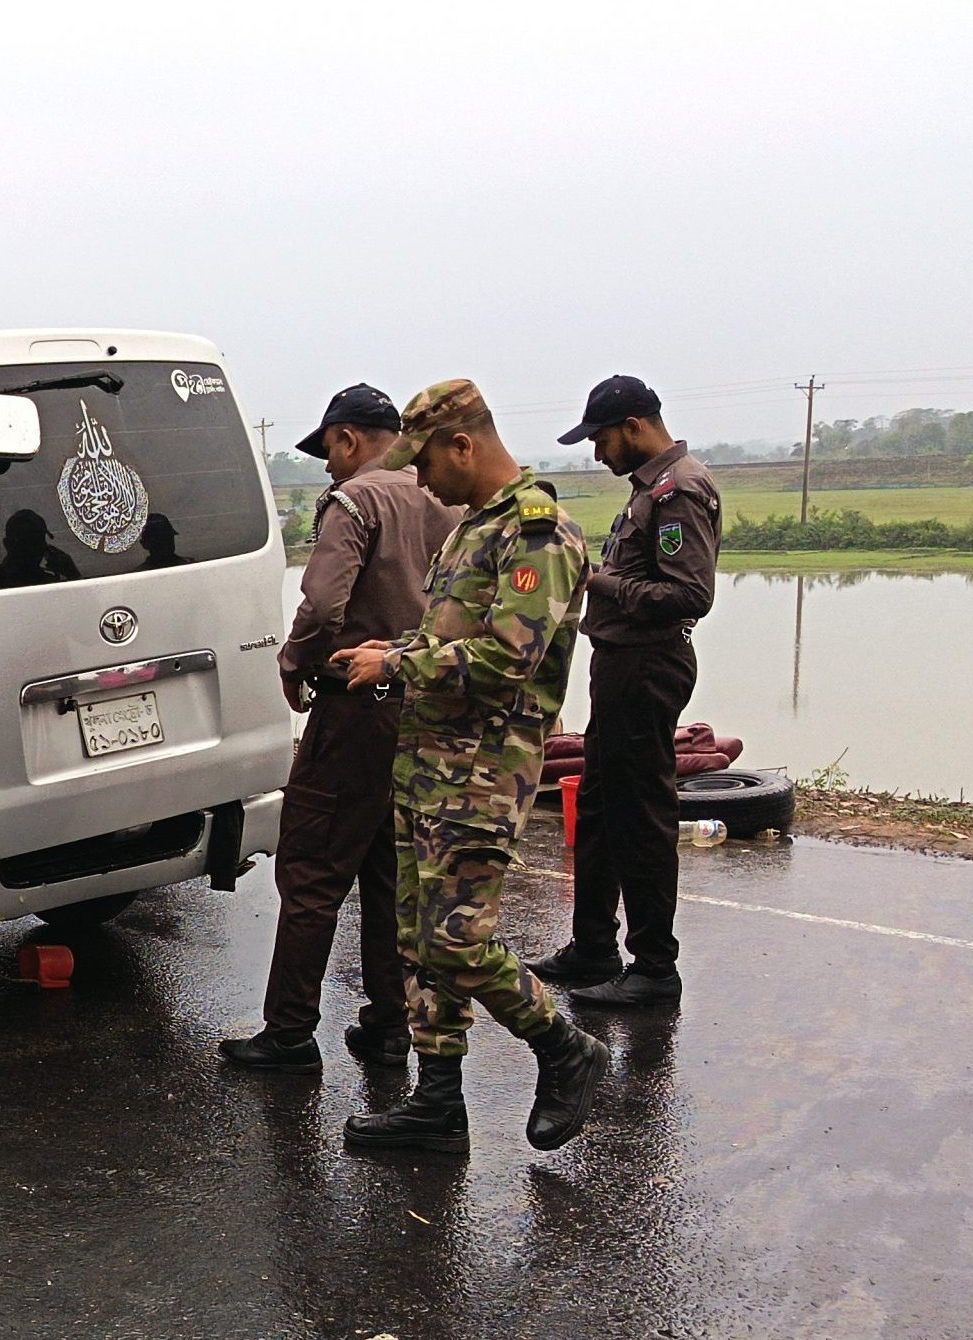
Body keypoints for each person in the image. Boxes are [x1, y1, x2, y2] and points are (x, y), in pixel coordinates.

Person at [329, 380, 611, 1155]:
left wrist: (394, 665)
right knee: (418, 939)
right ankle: (438, 1102)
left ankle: (565, 1047)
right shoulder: (470, 531)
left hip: (484, 771)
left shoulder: (538, 535)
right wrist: (393, 655)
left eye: (425, 463)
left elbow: (503, 660)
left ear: (464, 445)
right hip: (428, 763)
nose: (418, 480)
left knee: (458, 939)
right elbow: (449, 638)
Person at [221, 384, 461, 1072]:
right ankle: (390, 1023)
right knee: (387, 870)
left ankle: (290, 1033)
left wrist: (294, 663)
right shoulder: (445, 500)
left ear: (350, 439)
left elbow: (325, 602)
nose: (326, 465)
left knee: (312, 868)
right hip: (418, 703)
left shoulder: (355, 501)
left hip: (355, 706)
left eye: (328, 449)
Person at [530, 376, 722, 1008]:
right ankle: (592, 948)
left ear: (635, 426)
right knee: (601, 806)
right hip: (620, 664)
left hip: (648, 664)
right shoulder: (650, 490)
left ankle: (654, 968)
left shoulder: (680, 490)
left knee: (640, 816)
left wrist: (599, 583)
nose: (597, 453)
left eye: (602, 438)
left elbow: (689, 596)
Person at [0, 508, 82, 589]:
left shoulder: (50, 582)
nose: (35, 549)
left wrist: (72, 574)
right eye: (28, 542)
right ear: (8, 545)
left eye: (38, 541)